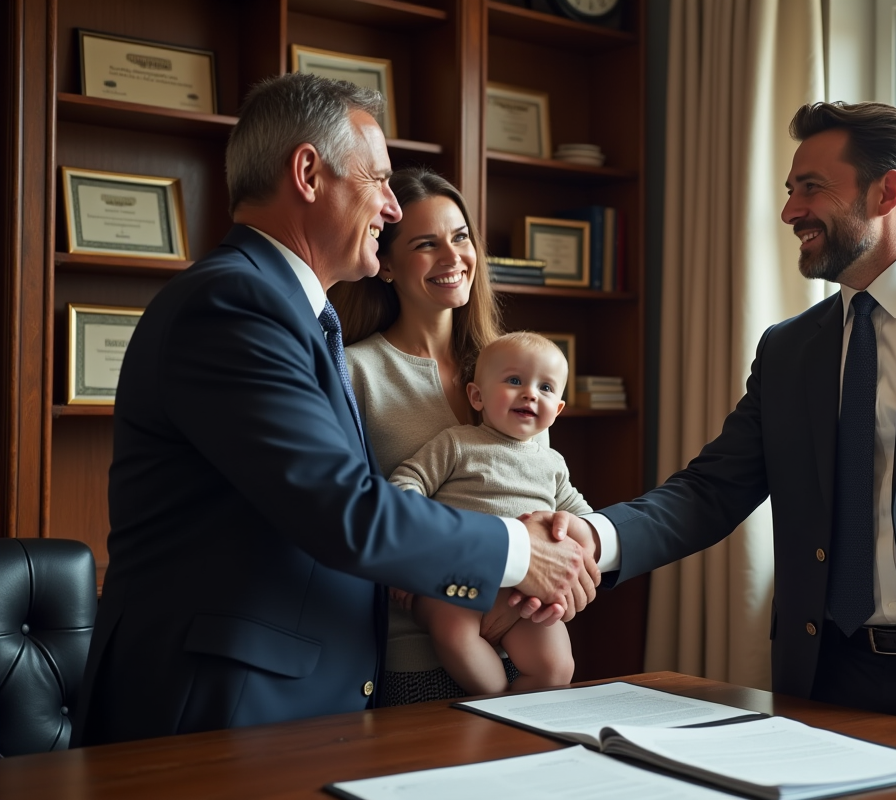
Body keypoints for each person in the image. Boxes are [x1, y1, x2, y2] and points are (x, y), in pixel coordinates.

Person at [532, 101, 896, 750]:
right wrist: (594, 538)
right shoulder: (788, 348)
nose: (790, 212)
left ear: (886, 192)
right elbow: (710, 490)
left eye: (811, 188)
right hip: (823, 680)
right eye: (790, 191)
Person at [73, 73, 596, 747]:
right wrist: (519, 551)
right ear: (308, 174)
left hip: (306, 697)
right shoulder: (233, 305)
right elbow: (344, 508)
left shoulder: (289, 312)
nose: (392, 206)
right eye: (378, 180)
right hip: (221, 707)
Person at [334, 167, 548, 704]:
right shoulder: (355, 372)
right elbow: (348, 518)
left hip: (525, 643)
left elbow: (542, 493)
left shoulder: (517, 371)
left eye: (460, 237)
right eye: (427, 244)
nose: (454, 258)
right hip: (415, 658)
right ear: (386, 264)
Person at [390, 332, 589, 695]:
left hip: (521, 594)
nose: (530, 394)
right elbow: (406, 482)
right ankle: (494, 701)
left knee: (557, 666)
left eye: (545, 388)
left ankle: (513, 714)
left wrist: (576, 531)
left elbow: (583, 518)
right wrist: (409, 555)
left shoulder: (553, 464)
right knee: (455, 634)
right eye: (514, 381)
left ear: (558, 409)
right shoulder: (457, 443)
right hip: (452, 580)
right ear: (477, 396)